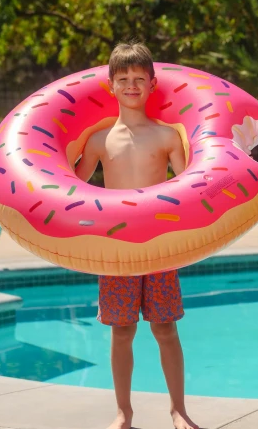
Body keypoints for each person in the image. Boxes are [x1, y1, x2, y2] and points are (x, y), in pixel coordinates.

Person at [75, 42, 197, 429]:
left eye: (139, 79)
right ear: (111, 85)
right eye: (123, 79)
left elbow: (189, 185)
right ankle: (123, 412)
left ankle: (178, 409)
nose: (131, 85)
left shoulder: (165, 137)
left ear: (152, 84)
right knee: (122, 329)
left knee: (165, 327)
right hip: (117, 247)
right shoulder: (99, 141)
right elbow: (69, 188)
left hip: (159, 244)